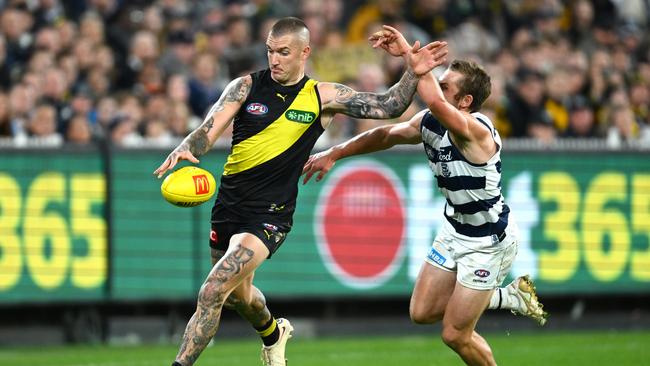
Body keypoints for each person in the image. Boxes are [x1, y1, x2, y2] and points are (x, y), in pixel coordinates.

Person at [153, 17, 448, 366]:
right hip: (229, 206)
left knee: (213, 290)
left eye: (283, 52)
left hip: (270, 214)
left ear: (305, 52)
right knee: (239, 297)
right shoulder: (245, 87)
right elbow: (207, 129)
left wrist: (412, 70)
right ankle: (273, 333)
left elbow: (388, 106)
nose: (274, 59)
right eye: (269, 51)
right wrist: (187, 147)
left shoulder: (322, 97)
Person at [302, 25, 548, 366]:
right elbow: (386, 135)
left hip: (489, 240)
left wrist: (409, 56)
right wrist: (335, 153)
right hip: (454, 230)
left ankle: (498, 302)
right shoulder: (430, 121)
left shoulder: (476, 130)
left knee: (455, 334)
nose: (435, 85)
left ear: (465, 102)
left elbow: (430, 95)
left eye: (446, 85)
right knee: (421, 312)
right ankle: (508, 296)